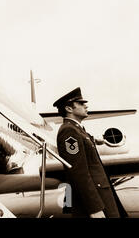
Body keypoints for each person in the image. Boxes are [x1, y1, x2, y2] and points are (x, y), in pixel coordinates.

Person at [53, 87, 128, 218]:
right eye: (81, 103)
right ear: (69, 109)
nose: (86, 106)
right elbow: (78, 173)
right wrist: (94, 209)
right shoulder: (69, 131)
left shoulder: (77, 129)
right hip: (96, 202)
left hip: (101, 196)